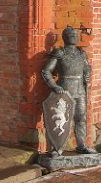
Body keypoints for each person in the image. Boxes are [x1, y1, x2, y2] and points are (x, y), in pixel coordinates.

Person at [41, 26, 95, 155]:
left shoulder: (81, 53)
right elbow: (46, 71)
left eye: (75, 35)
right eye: (71, 35)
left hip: (80, 90)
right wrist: (54, 86)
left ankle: (82, 145)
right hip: (65, 90)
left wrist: (87, 72)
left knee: (81, 118)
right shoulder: (60, 53)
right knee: (63, 120)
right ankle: (57, 148)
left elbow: (87, 67)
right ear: (65, 37)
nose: (74, 37)